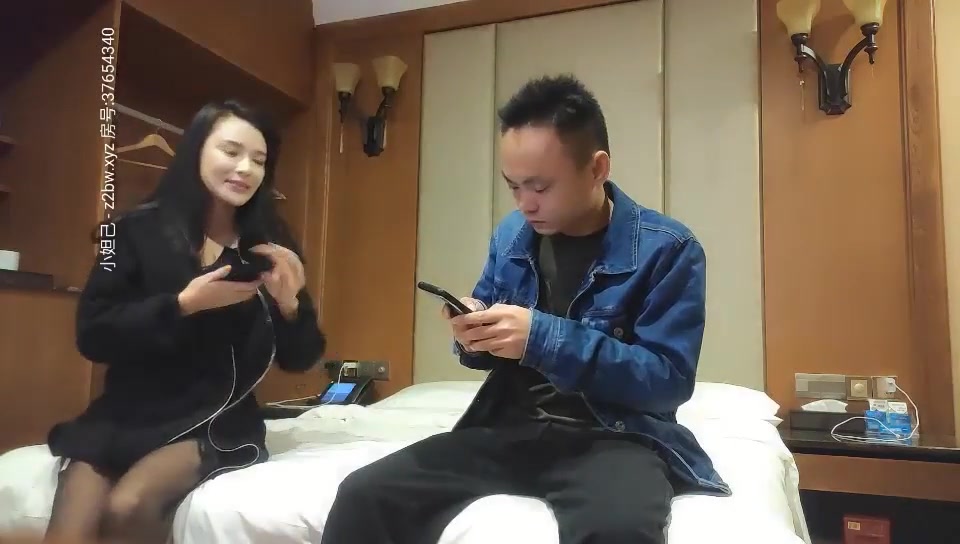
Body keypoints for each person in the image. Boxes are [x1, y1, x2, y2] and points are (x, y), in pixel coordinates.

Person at [320, 75, 731, 544]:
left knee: (618, 530)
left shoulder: (668, 249)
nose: (524, 203)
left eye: (540, 186)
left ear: (597, 168)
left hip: (614, 438)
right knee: (363, 494)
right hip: (510, 429)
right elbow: (489, 343)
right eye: (513, 186)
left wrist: (542, 338)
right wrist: (473, 333)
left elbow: (667, 382)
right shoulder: (511, 235)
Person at [44, 100, 327, 544]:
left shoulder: (270, 243)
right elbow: (93, 333)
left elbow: (301, 358)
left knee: (128, 506)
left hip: (216, 418)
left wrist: (290, 305)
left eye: (259, 160)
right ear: (196, 150)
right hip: (126, 413)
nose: (245, 168)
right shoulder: (125, 231)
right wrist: (182, 304)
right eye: (231, 151)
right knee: (70, 529)